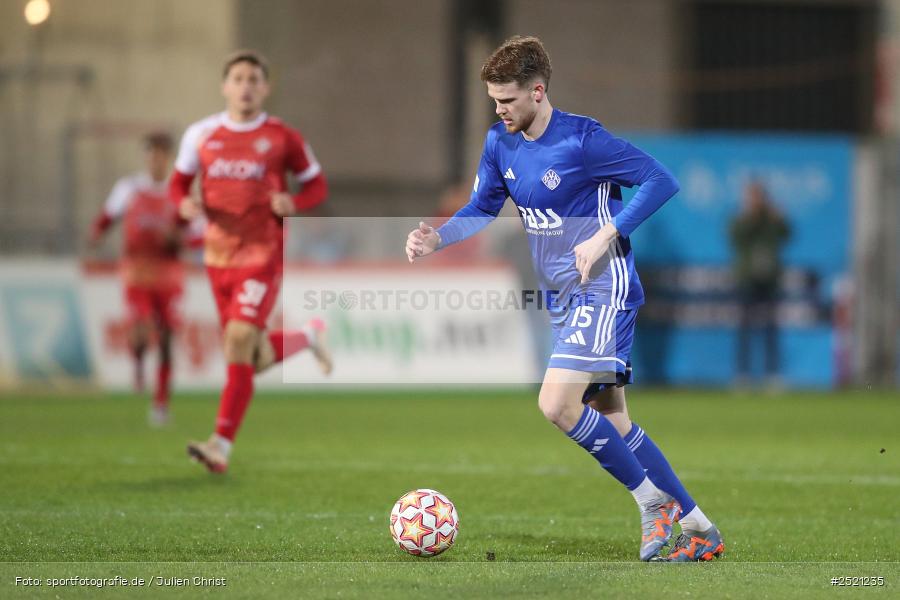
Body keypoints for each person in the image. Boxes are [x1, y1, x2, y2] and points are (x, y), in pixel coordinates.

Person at [405, 36, 723, 562]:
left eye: (507, 100)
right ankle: (701, 529)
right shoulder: (499, 142)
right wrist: (439, 236)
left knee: (556, 403)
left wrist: (606, 233)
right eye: (493, 101)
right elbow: (482, 208)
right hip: (564, 297)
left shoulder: (583, 140)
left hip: (603, 284)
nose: (499, 110)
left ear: (537, 90)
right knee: (613, 419)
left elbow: (660, 180)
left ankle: (653, 503)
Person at [170, 50, 333, 474]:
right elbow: (177, 184)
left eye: (253, 79)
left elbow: (316, 185)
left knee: (239, 340)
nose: (245, 86)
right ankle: (307, 339)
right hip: (217, 256)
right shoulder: (201, 135)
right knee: (250, 356)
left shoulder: (283, 137)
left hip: (262, 255)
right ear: (225, 86)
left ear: (265, 88)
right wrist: (182, 205)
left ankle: (220, 445)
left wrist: (293, 201)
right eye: (238, 78)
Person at [90, 132, 196, 427]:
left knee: (165, 339)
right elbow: (108, 216)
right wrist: (96, 234)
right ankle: (138, 362)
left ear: (169, 158)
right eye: (151, 154)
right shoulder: (129, 188)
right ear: (146, 156)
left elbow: (192, 231)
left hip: (169, 272)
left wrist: (178, 239)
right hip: (137, 269)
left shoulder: (179, 191)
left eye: (161, 154)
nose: (155, 159)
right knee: (140, 330)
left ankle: (160, 404)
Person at [730, 180, 790, 387]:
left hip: (769, 279)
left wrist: (778, 218)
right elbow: (735, 237)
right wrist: (749, 217)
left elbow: (787, 234)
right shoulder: (742, 218)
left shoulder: (771, 220)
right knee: (744, 328)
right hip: (747, 279)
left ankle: (772, 374)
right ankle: (743, 374)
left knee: (770, 328)